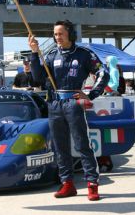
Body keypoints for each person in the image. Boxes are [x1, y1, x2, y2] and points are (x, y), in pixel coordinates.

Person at [28, 19, 109, 201]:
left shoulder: (83, 54)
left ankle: (92, 184)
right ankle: (67, 184)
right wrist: (35, 53)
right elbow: (38, 78)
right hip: (55, 105)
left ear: (70, 34)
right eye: (55, 34)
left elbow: (103, 72)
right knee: (59, 146)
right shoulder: (50, 55)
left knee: (82, 144)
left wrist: (91, 94)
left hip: (74, 103)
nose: (57, 37)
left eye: (61, 34)